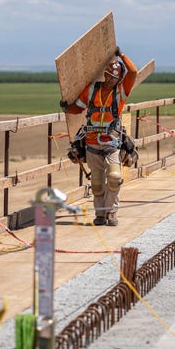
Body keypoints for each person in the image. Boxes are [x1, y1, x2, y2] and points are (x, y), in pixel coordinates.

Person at [61, 47, 137, 226]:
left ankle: (112, 213)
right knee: (96, 182)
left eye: (116, 78)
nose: (112, 80)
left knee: (114, 178)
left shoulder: (120, 92)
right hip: (92, 142)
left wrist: (122, 56)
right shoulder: (92, 90)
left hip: (112, 142)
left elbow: (133, 72)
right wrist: (66, 107)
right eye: (110, 76)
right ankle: (100, 215)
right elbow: (78, 107)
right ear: (105, 74)